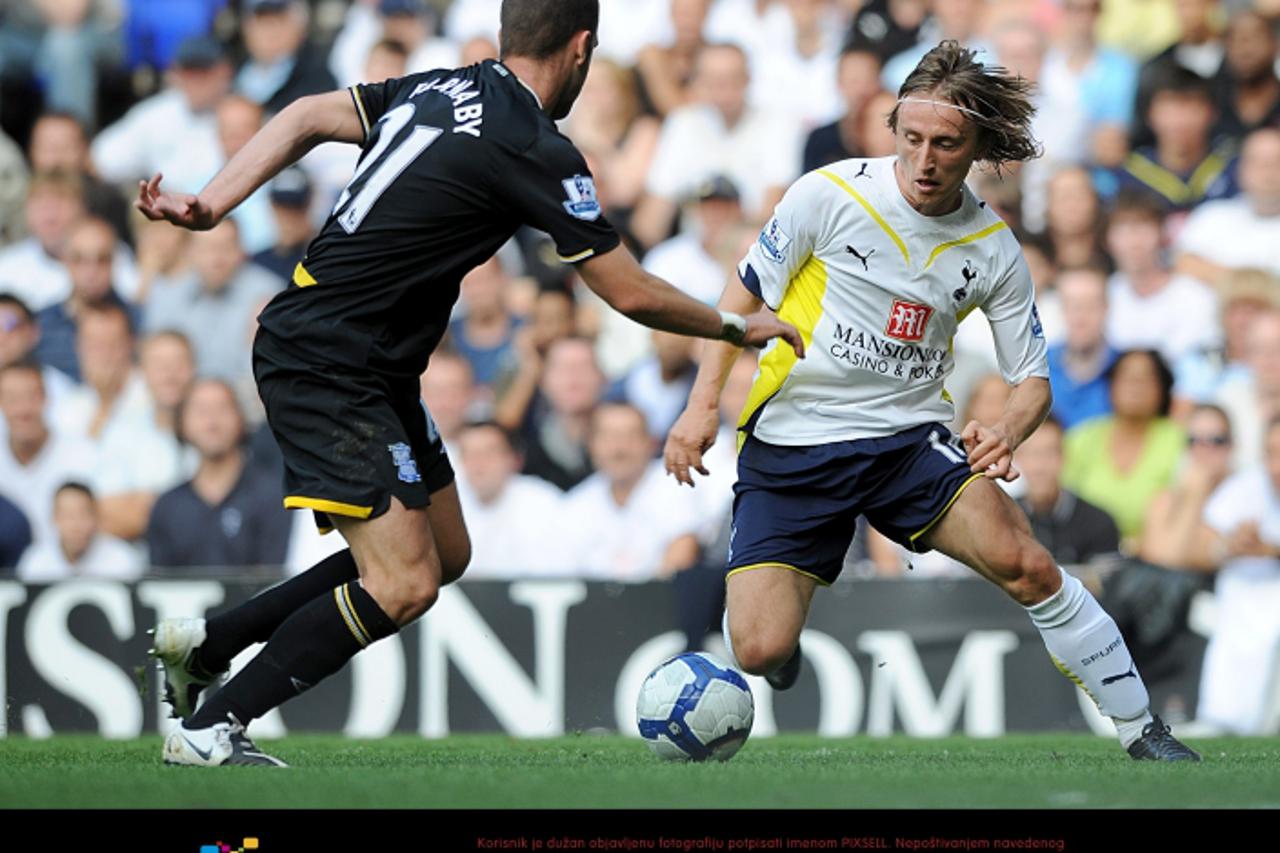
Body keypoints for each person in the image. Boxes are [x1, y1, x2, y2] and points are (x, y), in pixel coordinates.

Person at [136, 0, 801, 768]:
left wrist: (213, 200)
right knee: (406, 581)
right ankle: (209, 727)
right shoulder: (533, 145)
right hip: (329, 359)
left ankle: (209, 644)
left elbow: (310, 114)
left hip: (366, 358)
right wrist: (731, 325)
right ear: (582, 48)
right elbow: (628, 291)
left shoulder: (440, 88)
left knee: (444, 550)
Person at [663, 41, 1199, 761]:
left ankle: (1143, 730)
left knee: (1030, 564)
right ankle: (781, 647)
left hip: (907, 442)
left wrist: (1009, 427)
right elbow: (741, 296)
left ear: (977, 144)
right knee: (758, 649)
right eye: (910, 138)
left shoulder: (992, 247)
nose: (924, 159)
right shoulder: (828, 195)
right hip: (793, 440)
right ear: (892, 129)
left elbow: (1032, 379)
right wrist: (701, 406)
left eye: (945, 144)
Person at [146, 379, 291, 576]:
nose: (212, 422)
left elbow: (274, 580)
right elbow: (158, 587)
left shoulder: (273, 496)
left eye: (222, 409)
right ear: (182, 423)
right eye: (201, 411)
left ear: (241, 419)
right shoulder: (167, 506)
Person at [1063, 349, 1186, 544]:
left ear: (1162, 388)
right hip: (1086, 555)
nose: (1135, 385)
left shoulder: (1181, 440)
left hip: (1157, 556)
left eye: (1146, 378)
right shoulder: (1082, 437)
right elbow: (1063, 502)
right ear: (1111, 386)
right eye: (1126, 377)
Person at [16, 482, 144, 583]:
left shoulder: (121, 560)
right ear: (54, 519)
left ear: (97, 517)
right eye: (68, 515)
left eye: (83, 514)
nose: (76, 525)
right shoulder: (35, 562)